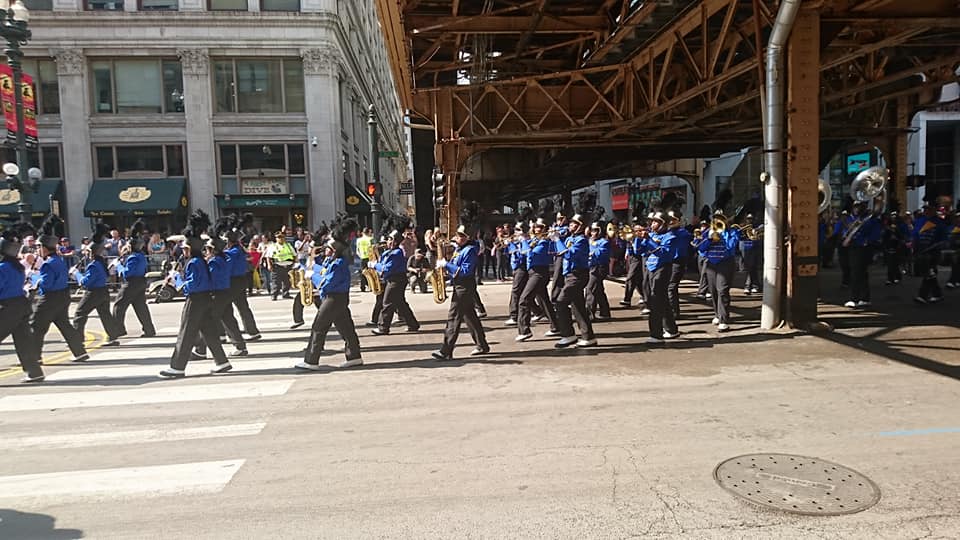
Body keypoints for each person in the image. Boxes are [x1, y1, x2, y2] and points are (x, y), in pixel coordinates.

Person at [160, 210, 230, 378]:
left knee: (186, 332)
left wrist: (177, 281)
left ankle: (177, 367)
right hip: (205, 299)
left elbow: (193, 285)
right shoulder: (200, 261)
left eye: (185, 248)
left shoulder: (193, 262)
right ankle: (222, 361)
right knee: (209, 331)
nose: (183, 251)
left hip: (196, 300)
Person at [296, 218, 363, 371]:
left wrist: (311, 275)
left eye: (328, 248)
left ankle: (311, 361)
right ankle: (354, 356)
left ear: (335, 250)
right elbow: (324, 270)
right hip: (337, 298)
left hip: (334, 298)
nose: (325, 249)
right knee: (346, 328)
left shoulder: (338, 264)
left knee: (318, 327)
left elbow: (326, 283)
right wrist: (308, 266)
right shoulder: (332, 261)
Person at [432, 209, 490, 361]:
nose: (456, 238)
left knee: (454, 317)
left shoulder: (469, 250)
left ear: (467, 238)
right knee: (470, 316)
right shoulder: (461, 249)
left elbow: (464, 271)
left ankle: (446, 350)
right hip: (460, 285)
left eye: (460, 236)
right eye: (457, 235)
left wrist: (446, 265)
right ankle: (482, 345)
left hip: (465, 286)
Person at [32, 216, 89, 363]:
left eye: (38, 247)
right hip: (62, 296)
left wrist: (33, 277)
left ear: (44, 248)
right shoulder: (58, 260)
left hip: (49, 298)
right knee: (65, 325)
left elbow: (46, 284)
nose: (37, 250)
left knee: (36, 326)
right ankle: (79, 352)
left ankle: (34, 358)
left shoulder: (47, 264)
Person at [192, 230, 247, 362]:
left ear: (213, 250)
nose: (205, 251)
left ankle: (200, 350)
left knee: (206, 321)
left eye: (207, 249)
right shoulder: (222, 259)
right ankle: (240, 346)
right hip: (224, 292)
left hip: (217, 294)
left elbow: (209, 279)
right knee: (228, 319)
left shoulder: (215, 262)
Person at [1, 225, 44, 383]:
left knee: (23, 340)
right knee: (23, 341)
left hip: (8, 307)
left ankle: (34, 372)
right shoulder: (16, 267)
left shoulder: (2, 268)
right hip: (21, 304)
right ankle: (34, 372)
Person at [71, 225, 123, 347]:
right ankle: (113, 336)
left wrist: (76, 273)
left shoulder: (93, 265)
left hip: (94, 292)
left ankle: (77, 340)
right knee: (105, 314)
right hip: (103, 291)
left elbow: (86, 282)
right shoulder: (100, 263)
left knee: (79, 313)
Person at [553, 214, 597, 348]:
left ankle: (568, 334)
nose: (571, 226)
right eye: (571, 223)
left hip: (577, 275)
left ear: (580, 227)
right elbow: (557, 251)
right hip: (569, 275)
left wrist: (557, 239)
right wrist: (554, 239)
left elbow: (568, 254)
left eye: (574, 224)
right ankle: (588, 336)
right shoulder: (569, 238)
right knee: (578, 306)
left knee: (560, 302)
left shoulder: (581, 240)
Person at [112, 219, 156, 339]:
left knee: (119, 305)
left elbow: (127, 273)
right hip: (140, 282)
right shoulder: (141, 255)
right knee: (141, 307)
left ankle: (118, 330)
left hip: (132, 283)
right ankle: (149, 329)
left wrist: (118, 266)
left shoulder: (133, 257)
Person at [371, 230, 420, 335]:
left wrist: (375, 265)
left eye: (390, 239)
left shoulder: (397, 252)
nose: (387, 241)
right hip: (391, 279)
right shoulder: (387, 252)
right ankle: (413, 324)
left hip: (396, 280)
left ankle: (383, 327)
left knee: (387, 303)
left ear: (395, 242)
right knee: (400, 304)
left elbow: (386, 269)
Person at [697, 212, 740, 331]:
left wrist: (723, 235)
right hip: (711, 263)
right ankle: (717, 314)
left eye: (720, 219)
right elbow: (700, 248)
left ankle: (724, 320)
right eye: (715, 220)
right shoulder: (708, 232)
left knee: (722, 290)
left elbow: (731, 247)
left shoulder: (732, 232)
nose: (717, 222)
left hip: (725, 263)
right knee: (713, 291)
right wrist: (709, 239)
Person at [516, 218, 558, 341]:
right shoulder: (534, 240)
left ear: (544, 229)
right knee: (544, 302)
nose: (536, 229)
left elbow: (531, 254)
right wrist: (518, 242)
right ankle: (556, 326)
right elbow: (521, 253)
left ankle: (524, 330)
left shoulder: (544, 242)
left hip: (539, 273)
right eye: (535, 227)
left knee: (524, 300)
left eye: (539, 227)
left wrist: (524, 241)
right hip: (532, 272)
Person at [640, 212, 679, 344]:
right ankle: (672, 329)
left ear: (663, 224)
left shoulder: (671, 237)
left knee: (655, 300)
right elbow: (640, 251)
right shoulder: (651, 235)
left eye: (656, 222)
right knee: (662, 299)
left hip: (662, 268)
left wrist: (649, 240)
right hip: (650, 268)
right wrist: (636, 239)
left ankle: (656, 334)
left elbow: (664, 253)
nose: (652, 224)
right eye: (652, 222)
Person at [225, 220, 261, 339]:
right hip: (241, 280)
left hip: (232, 281)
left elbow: (227, 266)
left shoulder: (232, 252)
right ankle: (252, 331)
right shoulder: (240, 250)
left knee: (224, 308)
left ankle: (226, 334)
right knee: (243, 307)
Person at [840, 202, 881, 308]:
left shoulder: (870, 219)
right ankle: (865, 298)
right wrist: (846, 236)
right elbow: (846, 230)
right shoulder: (852, 219)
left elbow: (876, 233)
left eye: (858, 207)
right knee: (861, 273)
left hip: (863, 248)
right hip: (853, 247)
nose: (856, 209)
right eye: (855, 207)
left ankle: (855, 298)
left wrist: (866, 241)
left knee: (856, 273)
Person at [912, 205, 947, 304]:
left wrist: (938, 246)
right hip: (922, 251)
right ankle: (937, 294)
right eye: (925, 210)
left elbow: (943, 238)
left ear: (934, 211)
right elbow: (915, 235)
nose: (927, 212)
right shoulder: (920, 221)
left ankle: (922, 295)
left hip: (933, 252)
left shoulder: (939, 223)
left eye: (929, 210)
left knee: (928, 273)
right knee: (930, 274)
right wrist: (915, 248)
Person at [666, 211, 692, 320]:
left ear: (679, 221)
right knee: (667, 286)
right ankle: (669, 310)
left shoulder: (683, 232)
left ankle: (674, 312)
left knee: (671, 286)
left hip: (678, 262)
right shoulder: (667, 232)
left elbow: (680, 238)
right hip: (667, 261)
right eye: (669, 219)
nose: (671, 222)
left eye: (673, 219)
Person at [585, 222, 611, 321]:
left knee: (590, 289)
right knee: (598, 290)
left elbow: (600, 253)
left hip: (599, 267)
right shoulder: (588, 240)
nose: (593, 233)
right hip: (591, 266)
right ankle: (605, 312)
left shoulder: (604, 242)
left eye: (595, 230)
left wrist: (591, 252)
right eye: (592, 230)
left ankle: (589, 314)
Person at [504, 222, 528, 326]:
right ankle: (538, 311)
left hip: (521, 268)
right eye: (515, 230)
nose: (515, 232)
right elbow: (509, 253)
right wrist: (508, 245)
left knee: (516, 291)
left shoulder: (525, 241)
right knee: (523, 292)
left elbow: (522, 254)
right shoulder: (517, 240)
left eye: (518, 230)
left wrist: (512, 244)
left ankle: (514, 315)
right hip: (515, 267)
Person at [621, 221, 645, 307]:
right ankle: (644, 296)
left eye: (638, 230)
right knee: (638, 280)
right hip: (631, 258)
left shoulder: (641, 238)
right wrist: (627, 252)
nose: (636, 232)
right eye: (635, 230)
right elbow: (628, 247)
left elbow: (637, 250)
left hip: (638, 259)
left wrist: (635, 241)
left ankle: (627, 299)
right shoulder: (631, 238)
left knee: (630, 278)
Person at [268, 231, 296, 300]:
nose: (281, 239)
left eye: (282, 237)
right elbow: (269, 257)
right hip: (277, 266)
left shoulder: (288, 245)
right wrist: (269, 265)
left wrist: (294, 263)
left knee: (287, 282)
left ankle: (286, 294)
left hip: (287, 267)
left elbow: (294, 255)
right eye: (279, 237)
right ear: (276, 238)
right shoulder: (273, 246)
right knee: (276, 282)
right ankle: (274, 295)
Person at [740, 214, 762, 295]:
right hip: (745, 247)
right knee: (750, 267)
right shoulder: (743, 226)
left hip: (754, 247)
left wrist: (756, 231)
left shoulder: (757, 226)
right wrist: (742, 230)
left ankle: (748, 286)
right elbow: (740, 237)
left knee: (752, 266)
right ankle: (756, 285)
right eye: (748, 218)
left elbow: (759, 236)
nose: (749, 220)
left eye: (751, 218)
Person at [356, 227, 373, 292]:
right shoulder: (371, 239)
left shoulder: (358, 240)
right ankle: (371, 286)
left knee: (363, 273)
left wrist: (360, 256)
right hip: (370, 258)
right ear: (368, 232)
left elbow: (357, 251)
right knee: (371, 273)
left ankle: (362, 287)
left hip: (362, 257)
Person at [946, 211, 960, 289]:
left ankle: (954, 281)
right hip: (955, 250)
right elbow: (950, 238)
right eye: (957, 218)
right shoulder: (953, 228)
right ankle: (954, 280)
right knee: (955, 265)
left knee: (956, 266)